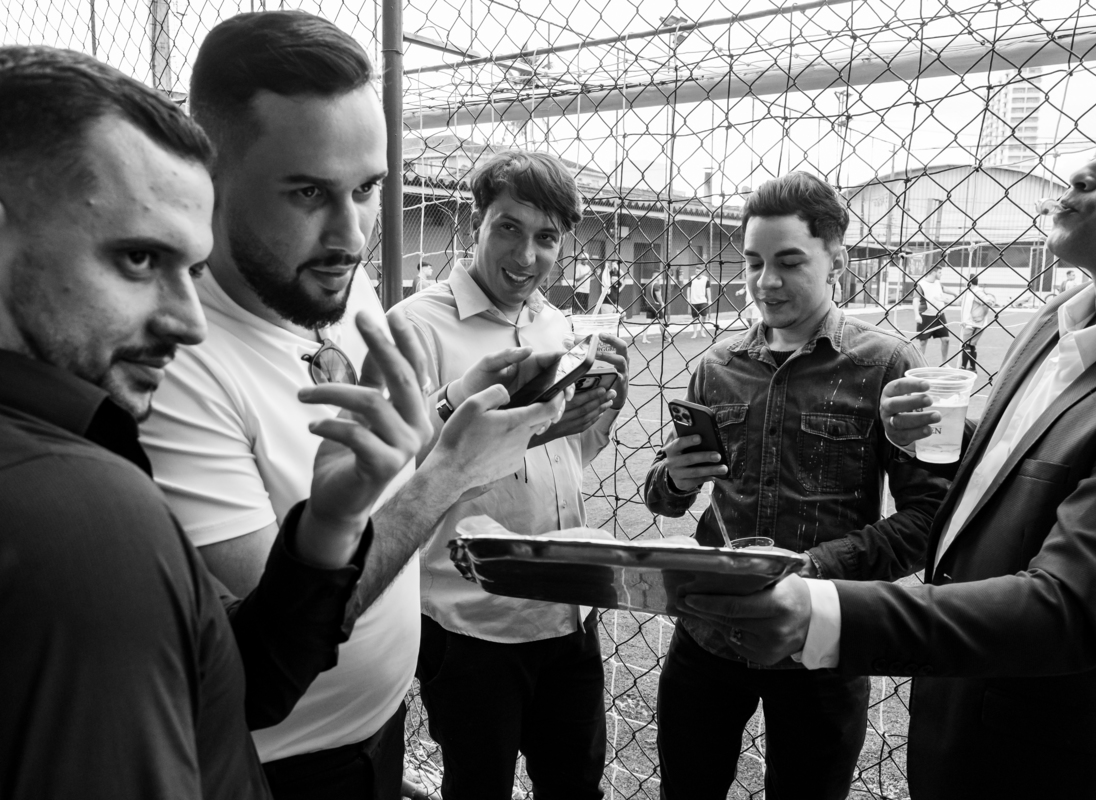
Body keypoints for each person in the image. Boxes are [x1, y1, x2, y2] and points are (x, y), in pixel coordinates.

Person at [680, 94, 1096, 800]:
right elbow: (1026, 476)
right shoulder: (1056, 323)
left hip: (1074, 758)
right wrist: (935, 441)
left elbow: (1069, 607)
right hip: (959, 717)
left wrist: (819, 599)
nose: (1081, 172)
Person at [138, 14, 562, 800]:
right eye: (307, 192)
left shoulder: (323, 273)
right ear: (210, 175)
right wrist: (447, 477)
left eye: (367, 189)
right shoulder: (172, 366)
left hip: (374, 733)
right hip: (279, 767)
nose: (351, 234)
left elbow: (368, 457)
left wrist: (454, 400)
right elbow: (279, 636)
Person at [0, 45, 428, 799]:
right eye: (138, 259)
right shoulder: (76, 502)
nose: (190, 322)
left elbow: (237, 679)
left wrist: (329, 525)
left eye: (368, 189)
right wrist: (451, 472)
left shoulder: (80, 444)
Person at [643, 171, 948, 800]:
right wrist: (672, 479)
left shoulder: (886, 366)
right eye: (754, 262)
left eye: (788, 262)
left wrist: (810, 571)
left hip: (820, 639)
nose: (766, 282)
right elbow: (664, 494)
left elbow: (929, 517)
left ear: (837, 259)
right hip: (708, 631)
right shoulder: (717, 366)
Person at [395, 149, 629, 800]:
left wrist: (598, 413)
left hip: (567, 613)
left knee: (576, 788)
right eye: (508, 228)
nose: (526, 256)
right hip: (472, 623)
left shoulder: (553, 323)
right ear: (476, 223)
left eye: (546, 238)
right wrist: (509, 422)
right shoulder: (415, 328)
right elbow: (398, 477)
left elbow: (566, 459)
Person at [912, 265, 950, 363]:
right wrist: (917, 315)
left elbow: (944, 289)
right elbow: (916, 300)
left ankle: (944, 363)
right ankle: (920, 364)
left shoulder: (938, 283)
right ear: (933, 272)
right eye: (940, 272)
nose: (941, 274)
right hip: (926, 316)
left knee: (946, 340)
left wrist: (955, 294)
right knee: (923, 342)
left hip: (940, 316)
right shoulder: (921, 285)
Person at [958, 275, 996, 371]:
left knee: (966, 344)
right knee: (971, 345)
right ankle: (972, 368)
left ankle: (963, 367)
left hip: (973, 323)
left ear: (970, 282)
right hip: (972, 323)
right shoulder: (970, 292)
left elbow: (988, 302)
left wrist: (979, 316)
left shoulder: (977, 292)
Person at [686, 267, 714, 338]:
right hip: (694, 301)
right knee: (695, 318)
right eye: (696, 271)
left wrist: (709, 300)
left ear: (702, 272)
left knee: (704, 316)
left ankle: (702, 330)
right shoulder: (691, 278)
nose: (698, 273)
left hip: (703, 301)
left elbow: (708, 290)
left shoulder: (705, 279)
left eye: (699, 271)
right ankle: (695, 333)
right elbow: (688, 289)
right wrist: (688, 298)